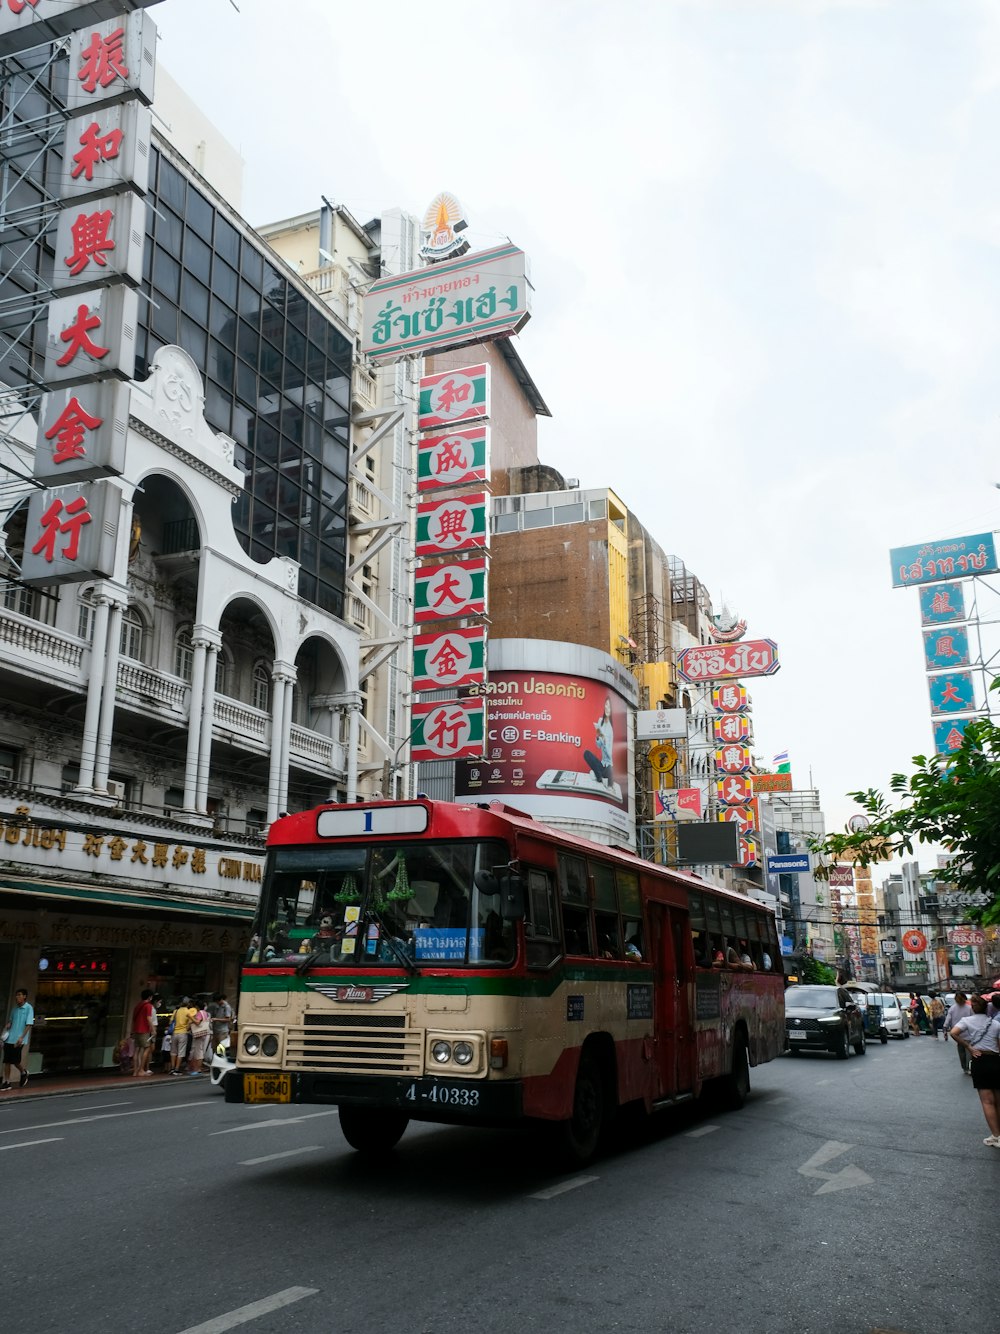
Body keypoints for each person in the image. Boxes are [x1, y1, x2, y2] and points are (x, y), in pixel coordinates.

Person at [949, 996, 1000, 1147]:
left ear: (972, 1009)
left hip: (980, 1061)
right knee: (998, 1101)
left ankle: (996, 1136)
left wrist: (969, 1047)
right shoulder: (996, 1024)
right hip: (996, 1061)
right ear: (987, 1008)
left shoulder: (967, 1021)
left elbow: (953, 1033)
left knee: (987, 1102)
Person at [1, 988, 34, 1091]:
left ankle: (23, 1072)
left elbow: (29, 1024)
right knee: (6, 1061)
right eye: (16, 995)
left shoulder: (28, 1008)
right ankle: (7, 1082)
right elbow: (11, 1020)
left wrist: (21, 1037)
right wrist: (8, 1025)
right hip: (10, 1037)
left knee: (15, 1060)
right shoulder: (14, 1009)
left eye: (19, 995)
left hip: (19, 1039)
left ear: (24, 996)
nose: (17, 997)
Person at [583, 697, 615, 788]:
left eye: (609, 706)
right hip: (602, 765)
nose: (607, 708)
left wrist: (605, 741)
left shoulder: (610, 729)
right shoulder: (600, 721)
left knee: (597, 774)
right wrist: (597, 737)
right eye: (606, 705)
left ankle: (599, 776)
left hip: (609, 767)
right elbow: (598, 746)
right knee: (586, 753)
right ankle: (599, 776)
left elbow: (609, 755)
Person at [129, 988, 157, 1077]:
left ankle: (135, 1071)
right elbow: (149, 1018)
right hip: (144, 1030)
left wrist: (132, 1030)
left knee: (137, 1050)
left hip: (136, 1030)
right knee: (147, 1048)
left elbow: (133, 1019)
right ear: (150, 997)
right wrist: (153, 1030)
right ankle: (141, 1069)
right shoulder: (148, 1006)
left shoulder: (137, 1005)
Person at [944, 992, 973, 1073]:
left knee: (961, 1051)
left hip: (957, 1034)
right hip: (968, 1033)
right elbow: (974, 1019)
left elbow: (947, 1020)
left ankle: (965, 1067)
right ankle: (968, 1067)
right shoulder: (969, 1008)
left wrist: (945, 1028)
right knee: (968, 1051)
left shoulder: (952, 1008)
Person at [168, 997, 196, 1076]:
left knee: (173, 1052)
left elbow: (170, 1022)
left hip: (174, 1033)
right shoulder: (187, 1011)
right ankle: (177, 1069)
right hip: (183, 1034)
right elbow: (194, 1022)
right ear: (188, 1003)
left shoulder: (176, 1011)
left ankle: (172, 1068)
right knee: (181, 1052)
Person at [188, 1004, 212, 1075]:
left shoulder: (199, 1013)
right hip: (204, 1033)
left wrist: (191, 1018)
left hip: (199, 1034)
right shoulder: (205, 1012)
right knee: (199, 1050)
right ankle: (197, 1068)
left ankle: (198, 1069)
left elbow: (197, 1022)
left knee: (198, 1051)